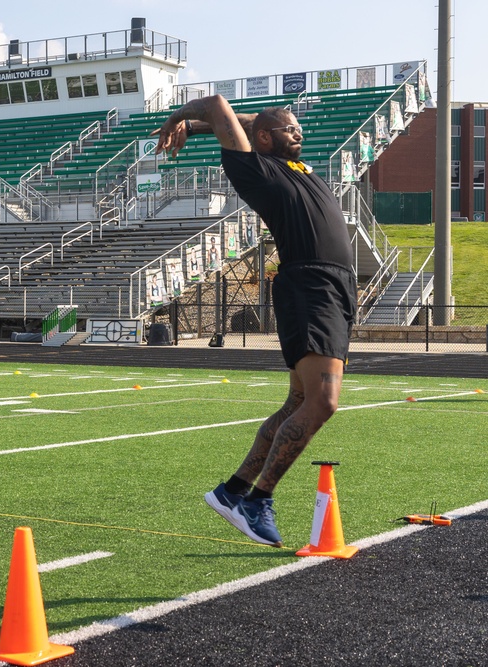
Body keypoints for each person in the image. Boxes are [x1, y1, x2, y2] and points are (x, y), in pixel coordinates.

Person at [153, 97, 356, 547]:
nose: (298, 134)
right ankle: (257, 500)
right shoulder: (255, 169)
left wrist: (199, 128)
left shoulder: (290, 164)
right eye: (289, 129)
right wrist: (180, 118)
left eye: (298, 128)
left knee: (296, 405)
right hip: (311, 285)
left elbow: (250, 121)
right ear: (264, 139)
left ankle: (233, 491)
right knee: (323, 402)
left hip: (335, 287)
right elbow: (221, 106)